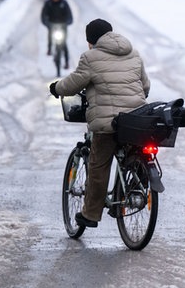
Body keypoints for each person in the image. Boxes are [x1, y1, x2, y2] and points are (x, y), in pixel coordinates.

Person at [49, 18, 150, 228]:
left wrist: (56, 88)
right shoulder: (133, 52)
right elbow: (145, 86)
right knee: (134, 151)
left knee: (98, 164)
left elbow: (73, 84)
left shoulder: (90, 57)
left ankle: (90, 214)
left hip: (109, 123)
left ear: (91, 41)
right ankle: (133, 190)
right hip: (136, 120)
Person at [41, 0, 73, 68]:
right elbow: (43, 15)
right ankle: (49, 49)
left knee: (64, 43)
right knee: (50, 36)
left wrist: (68, 22)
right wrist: (47, 23)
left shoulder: (64, 3)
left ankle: (66, 62)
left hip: (63, 26)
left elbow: (70, 15)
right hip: (52, 25)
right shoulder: (48, 3)